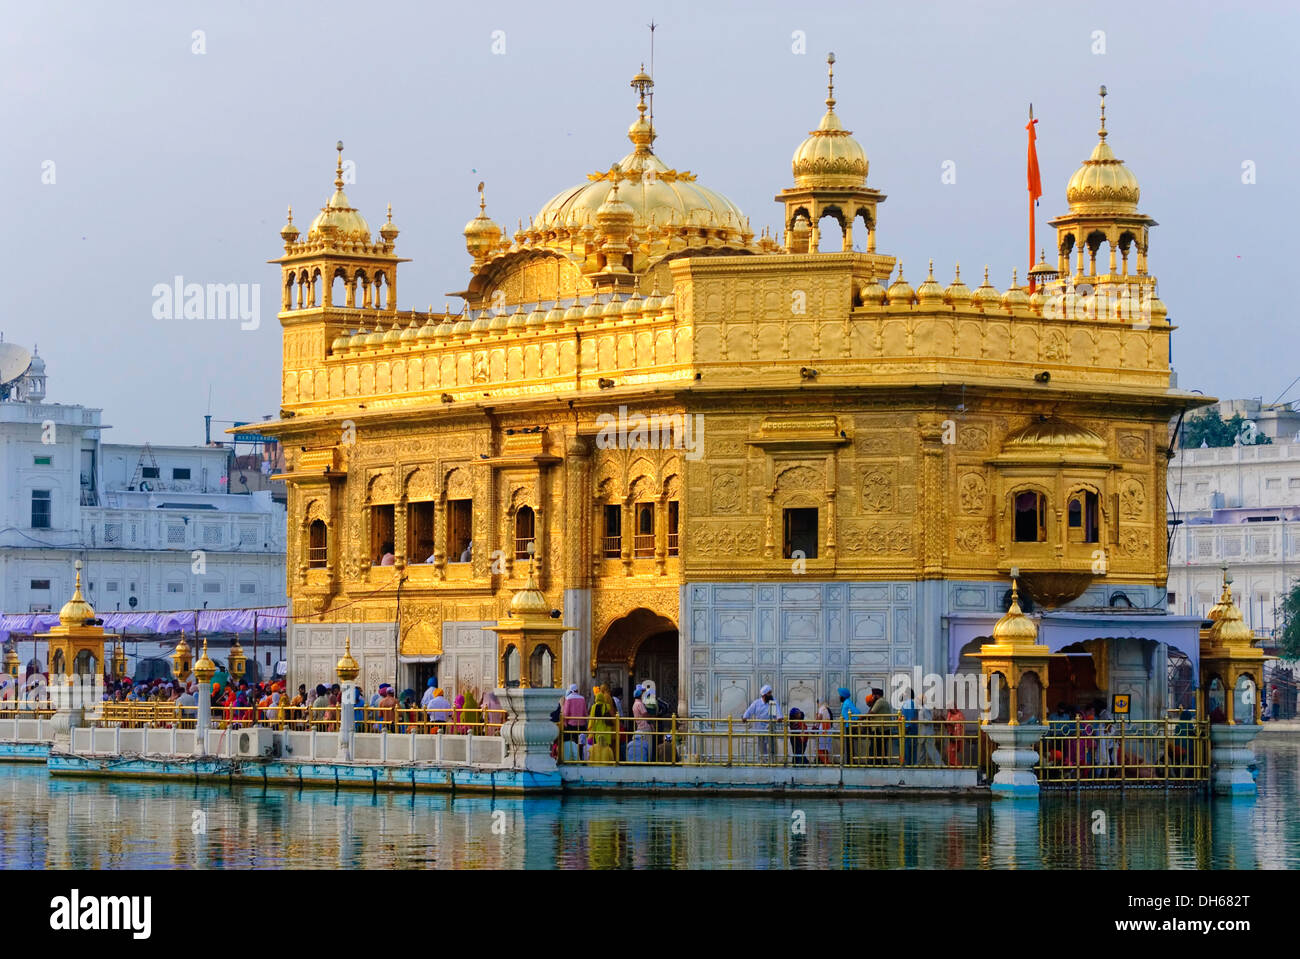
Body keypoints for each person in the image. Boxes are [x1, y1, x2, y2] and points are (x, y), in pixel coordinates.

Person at [742, 685, 780, 762]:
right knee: (762, 746)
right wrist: (745, 717)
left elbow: (776, 713)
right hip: (759, 727)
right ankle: (763, 761)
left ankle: (772, 761)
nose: (771, 695)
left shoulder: (772, 702)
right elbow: (749, 711)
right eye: (769, 693)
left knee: (771, 745)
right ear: (764, 695)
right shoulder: (757, 703)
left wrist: (779, 717)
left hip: (770, 727)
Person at [588, 685, 616, 752]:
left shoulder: (593, 707)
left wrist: (590, 728)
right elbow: (613, 716)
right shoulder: (607, 706)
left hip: (598, 729)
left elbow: (592, 720)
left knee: (599, 746)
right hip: (606, 729)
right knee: (606, 747)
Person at [561, 683, 587, 748]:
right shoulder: (582, 698)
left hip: (571, 725)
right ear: (577, 690)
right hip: (581, 724)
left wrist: (564, 722)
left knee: (572, 743)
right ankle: (580, 756)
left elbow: (566, 713)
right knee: (581, 742)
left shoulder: (568, 698)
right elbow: (585, 712)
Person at [899, 687, 919, 765]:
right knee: (909, 750)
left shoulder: (909, 703)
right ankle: (910, 765)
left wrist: (907, 728)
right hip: (909, 730)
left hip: (909, 731)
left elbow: (911, 718)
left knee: (908, 750)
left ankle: (909, 767)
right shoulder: (909, 703)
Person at [815, 700, 833, 764]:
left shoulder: (821, 708)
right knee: (826, 747)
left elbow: (819, 719)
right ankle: (826, 761)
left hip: (823, 729)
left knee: (820, 747)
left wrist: (816, 719)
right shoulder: (827, 708)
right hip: (828, 729)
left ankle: (825, 762)